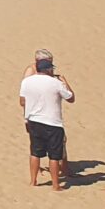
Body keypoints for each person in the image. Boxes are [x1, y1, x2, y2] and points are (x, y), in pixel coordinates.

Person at [20, 51, 75, 191]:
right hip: (52, 123)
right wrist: (64, 81)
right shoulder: (56, 83)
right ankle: (56, 185)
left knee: (35, 152)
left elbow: (22, 101)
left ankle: (33, 181)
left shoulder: (27, 81)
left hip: (33, 121)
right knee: (54, 155)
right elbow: (71, 98)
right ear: (49, 69)